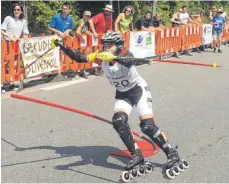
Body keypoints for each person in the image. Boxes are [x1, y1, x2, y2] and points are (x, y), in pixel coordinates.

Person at [53, 32, 187, 174]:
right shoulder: (101, 57)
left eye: (109, 45)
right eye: (104, 44)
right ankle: (136, 155)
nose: (105, 48)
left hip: (138, 90)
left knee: (147, 126)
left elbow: (131, 60)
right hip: (122, 93)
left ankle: (171, 152)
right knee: (118, 121)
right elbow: (79, 57)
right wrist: (62, 46)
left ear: (118, 46)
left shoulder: (125, 54)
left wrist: (115, 57)